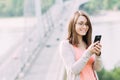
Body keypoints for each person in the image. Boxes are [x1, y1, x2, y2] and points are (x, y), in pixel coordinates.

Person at [59, 10, 103, 80]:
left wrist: (98, 55)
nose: (84, 27)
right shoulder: (65, 45)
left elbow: (98, 68)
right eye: (81, 23)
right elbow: (74, 70)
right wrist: (89, 53)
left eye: (86, 24)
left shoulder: (88, 44)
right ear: (73, 25)